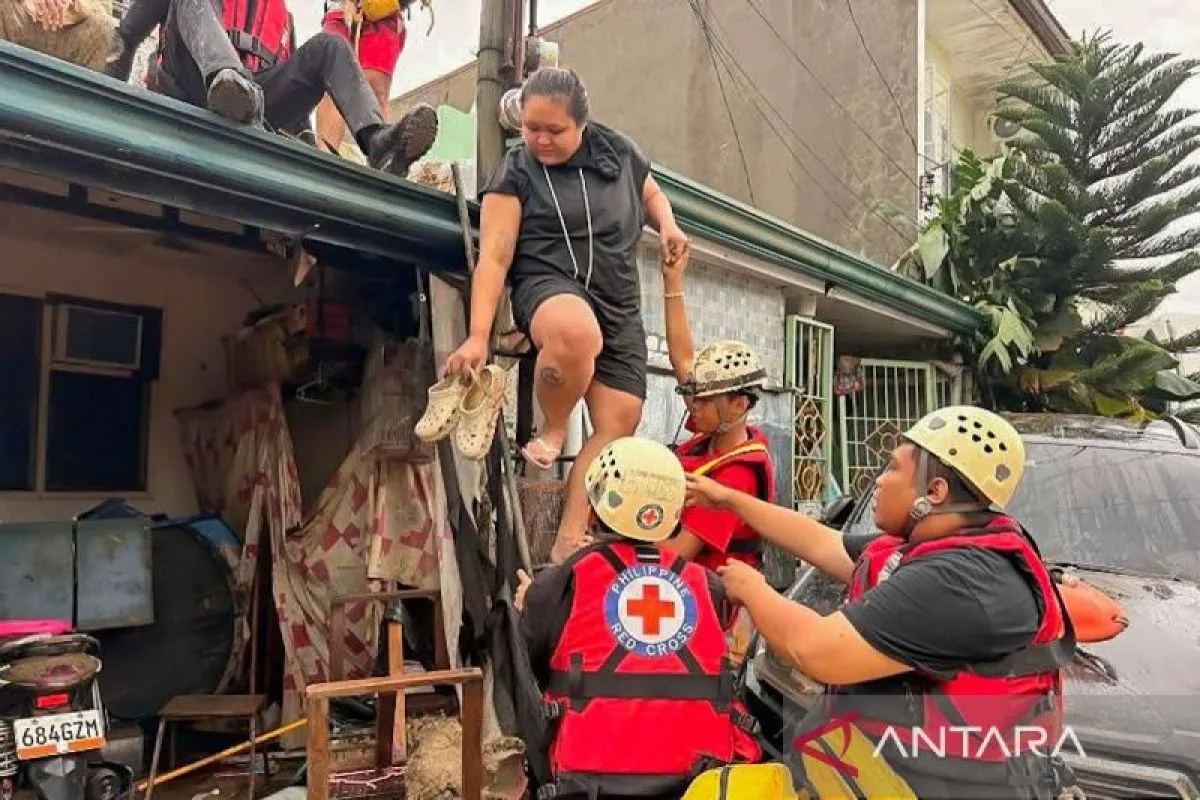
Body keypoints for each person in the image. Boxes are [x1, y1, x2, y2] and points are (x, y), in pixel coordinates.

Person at [687, 406, 1078, 799]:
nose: (878, 480)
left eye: (892, 468)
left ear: (935, 492)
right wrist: (728, 499)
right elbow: (821, 543)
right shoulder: (930, 548)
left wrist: (753, 589)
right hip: (886, 770)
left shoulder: (959, 581)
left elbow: (817, 652)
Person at [442, 66, 690, 565]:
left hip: (617, 299)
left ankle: (566, 543)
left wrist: (667, 225)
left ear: (583, 124)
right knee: (576, 334)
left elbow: (651, 193)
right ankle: (554, 426)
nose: (541, 139)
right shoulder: (517, 171)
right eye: (532, 128)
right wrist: (476, 334)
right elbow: (494, 254)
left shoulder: (617, 152)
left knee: (620, 420)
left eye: (554, 130)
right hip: (549, 283)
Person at [516, 436, 760, 800]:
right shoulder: (707, 586)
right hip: (698, 781)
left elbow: (531, 667)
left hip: (586, 781)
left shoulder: (563, 581)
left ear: (596, 508)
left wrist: (530, 602)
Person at [102, 0, 437, 176]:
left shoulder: (282, 18)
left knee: (330, 46)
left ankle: (380, 143)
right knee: (232, 81)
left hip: (251, 98)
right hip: (188, 84)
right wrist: (110, 106)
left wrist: (304, 146)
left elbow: (296, 105)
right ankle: (225, 78)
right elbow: (126, 38)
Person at [658, 248, 775, 572]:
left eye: (705, 401)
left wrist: (609, 550)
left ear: (739, 404)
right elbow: (682, 358)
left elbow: (675, 556)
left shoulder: (736, 475)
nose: (694, 405)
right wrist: (673, 281)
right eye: (695, 396)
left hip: (712, 605)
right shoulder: (715, 427)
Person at [313, 0, 416, 156]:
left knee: (375, 90)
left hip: (384, 10)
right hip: (341, 10)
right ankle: (323, 160)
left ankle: (382, 160)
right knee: (333, 87)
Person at [1, 0, 113, 71]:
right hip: (18, 18)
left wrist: (76, 5)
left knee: (104, 25)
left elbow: (104, 9)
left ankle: (79, 100)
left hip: (73, 31)